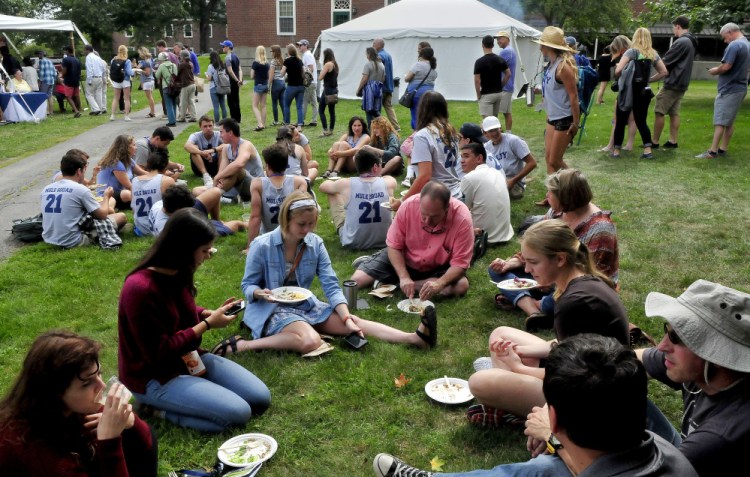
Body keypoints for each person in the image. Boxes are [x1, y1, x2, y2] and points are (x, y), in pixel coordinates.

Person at [373, 334, 698, 477]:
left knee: (543, 469)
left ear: (552, 416)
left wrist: (551, 437)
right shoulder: (659, 446)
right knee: (545, 467)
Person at [210, 191, 437, 356]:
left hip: (303, 304)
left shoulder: (315, 243)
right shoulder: (262, 245)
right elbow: (247, 285)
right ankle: (243, 345)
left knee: (353, 322)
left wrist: (346, 317)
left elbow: (330, 284)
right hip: (269, 307)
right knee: (310, 341)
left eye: (311, 224)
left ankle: (415, 338)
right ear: (286, 219)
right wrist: (260, 293)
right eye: (301, 224)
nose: (307, 230)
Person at [118, 208, 269, 433]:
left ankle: (190, 398)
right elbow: (159, 350)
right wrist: (206, 325)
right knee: (238, 413)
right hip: (154, 374)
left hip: (187, 358)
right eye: (205, 250)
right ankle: (154, 409)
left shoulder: (178, 272)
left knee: (260, 398)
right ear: (184, 249)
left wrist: (204, 313)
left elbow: (175, 310)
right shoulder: (140, 288)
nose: (209, 255)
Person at [468, 219, 628, 426]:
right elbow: (569, 345)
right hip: (590, 370)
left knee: (478, 382)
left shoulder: (574, 302)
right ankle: (507, 389)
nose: (526, 269)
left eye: (533, 262)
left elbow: (569, 376)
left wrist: (519, 367)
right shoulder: (581, 282)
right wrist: (521, 350)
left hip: (590, 399)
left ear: (560, 259)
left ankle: (518, 407)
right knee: (501, 334)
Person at [0, 331, 158, 477]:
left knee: (133, 434)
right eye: (86, 384)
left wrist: (131, 421)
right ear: (54, 393)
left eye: (99, 374)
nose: (102, 386)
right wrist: (109, 440)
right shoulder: (44, 458)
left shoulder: (72, 408)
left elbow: (147, 441)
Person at [638, 279, 750, 476]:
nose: (662, 346)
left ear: (718, 355)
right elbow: (632, 360)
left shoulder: (720, 437)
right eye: (668, 331)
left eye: (677, 338)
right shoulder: (700, 368)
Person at [490, 169, 619, 326]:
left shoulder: (600, 229)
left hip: (579, 288)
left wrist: (552, 283)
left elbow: (593, 278)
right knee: (496, 271)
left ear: (565, 197)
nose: (546, 197)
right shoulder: (556, 213)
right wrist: (513, 262)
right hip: (552, 272)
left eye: (550, 193)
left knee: (557, 300)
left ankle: (530, 302)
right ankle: (534, 308)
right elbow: (537, 246)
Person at [351, 181, 472, 300]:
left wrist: (440, 283)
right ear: (420, 203)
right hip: (404, 257)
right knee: (357, 281)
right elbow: (394, 245)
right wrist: (404, 276)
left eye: (434, 217)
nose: (427, 221)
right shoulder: (408, 206)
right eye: (424, 214)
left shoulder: (462, 218)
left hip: (437, 267)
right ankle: (397, 279)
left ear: (447, 208)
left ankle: (393, 284)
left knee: (461, 286)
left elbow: (460, 263)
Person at [41, 149, 127, 248]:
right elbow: (102, 215)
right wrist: (107, 196)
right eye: (84, 170)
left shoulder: (46, 189)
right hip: (72, 241)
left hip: (49, 238)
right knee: (121, 217)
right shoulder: (80, 189)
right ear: (79, 171)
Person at [534, 27, 579, 205]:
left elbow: (573, 96)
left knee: (555, 160)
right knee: (548, 159)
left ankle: (578, 184)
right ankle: (552, 196)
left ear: (550, 47)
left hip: (564, 119)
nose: (540, 49)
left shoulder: (563, 67)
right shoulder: (551, 65)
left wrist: (575, 123)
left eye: (543, 45)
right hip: (552, 118)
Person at [393, 91, 461, 206]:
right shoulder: (451, 131)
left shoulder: (423, 136)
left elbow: (425, 175)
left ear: (422, 110)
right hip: (456, 194)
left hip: (437, 199)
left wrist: (403, 202)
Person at [320, 148, 396, 250]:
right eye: (381, 164)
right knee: (391, 197)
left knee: (332, 193)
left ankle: (348, 223)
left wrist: (337, 183)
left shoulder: (345, 183)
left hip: (353, 241)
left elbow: (323, 186)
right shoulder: (389, 182)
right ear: (375, 167)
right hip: (385, 240)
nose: (382, 167)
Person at [612, 28, 667, 159]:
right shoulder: (653, 54)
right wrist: (649, 80)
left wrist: (621, 75)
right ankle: (647, 150)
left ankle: (616, 151)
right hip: (643, 92)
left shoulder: (632, 52)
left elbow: (618, 70)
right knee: (641, 121)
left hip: (629, 91)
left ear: (635, 37)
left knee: (620, 121)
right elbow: (664, 72)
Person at [696, 23, 749, 159]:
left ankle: (712, 151)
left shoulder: (735, 45)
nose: (725, 41)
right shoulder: (746, 44)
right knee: (729, 120)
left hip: (730, 89)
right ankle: (723, 149)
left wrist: (715, 71)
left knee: (720, 121)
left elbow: (726, 66)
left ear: (730, 32)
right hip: (740, 87)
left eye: (725, 37)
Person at [246, 143, 308, 245]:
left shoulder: (257, 184)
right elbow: (302, 212)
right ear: (286, 164)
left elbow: (255, 217)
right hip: (293, 237)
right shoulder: (299, 182)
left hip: (267, 238)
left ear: (268, 166)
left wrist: (250, 246)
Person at [652, 16, 697, 149]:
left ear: (678, 26)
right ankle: (673, 141)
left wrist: (653, 58)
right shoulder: (692, 41)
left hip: (673, 83)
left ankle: (654, 142)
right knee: (674, 112)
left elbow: (664, 63)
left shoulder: (681, 42)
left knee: (659, 111)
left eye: (673, 27)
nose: (673, 30)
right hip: (682, 83)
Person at [192, 118, 263, 202]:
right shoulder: (226, 147)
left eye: (221, 132)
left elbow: (239, 164)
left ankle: (216, 197)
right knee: (196, 190)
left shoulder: (246, 145)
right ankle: (227, 199)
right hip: (234, 183)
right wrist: (219, 180)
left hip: (255, 185)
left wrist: (217, 178)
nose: (220, 135)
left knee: (236, 169)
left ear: (230, 133)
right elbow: (222, 170)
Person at [459, 142, 512, 245]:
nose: (462, 161)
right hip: (505, 234)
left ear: (479, 158)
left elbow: (461, 211)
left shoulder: (469, 178)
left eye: (466, 156)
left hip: (485, 237)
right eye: (461, 157)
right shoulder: (497, 172)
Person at [146, 184, 246, 237]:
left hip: (180, 219)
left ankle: (217, 221)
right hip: (186, 230)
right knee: (236, 224)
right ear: (179, 210)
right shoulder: (166, 229)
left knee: (215, 192)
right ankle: (248, 225)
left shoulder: (161, 204)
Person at [481, 115, 536, 200]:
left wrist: (513, 181)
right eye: (491, 131)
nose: (495, 133)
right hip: (496, 180)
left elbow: (532, 163)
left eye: (496, 129)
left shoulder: (513, 141)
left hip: (514, 182)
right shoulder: (486, 147)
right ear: (485, 133)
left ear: (500, 128)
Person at [600, 35, 637, 153]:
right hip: (636, 89)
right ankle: (629, 145)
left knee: (617, 119)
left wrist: (618, 68)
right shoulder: (637, 53)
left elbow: (618, 72)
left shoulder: (627, 55)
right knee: (632, 119)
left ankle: (611, 145)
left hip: (626, 90)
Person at [97, 135, 147, 210]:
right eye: (133, 145)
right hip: (106, 196)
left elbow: (144, 173)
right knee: (127, 194)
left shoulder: (129, 161)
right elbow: (129, 186)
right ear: (126, 148)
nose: (136, 148)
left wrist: (158, 177)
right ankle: (110, 208)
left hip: (119, 194)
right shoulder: (116, 163)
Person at [132, 151, 175, 236]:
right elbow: (173, 207)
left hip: (140, 229)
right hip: (159, 226)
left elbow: (134, 209)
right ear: (165, 167)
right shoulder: (166, 180)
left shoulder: (135, 181)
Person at [474, 35, 509, 119]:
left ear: (482, 45)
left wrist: (478, 95)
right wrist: (501, 85)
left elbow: (477, 81)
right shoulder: (500, 59)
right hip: (498, 93)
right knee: (495, 119)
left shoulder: (479, 62)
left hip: (486, 94)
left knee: (487, 122)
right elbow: (508, 74)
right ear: (493, 45)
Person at [185, 115, 226, 187]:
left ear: (213, 126)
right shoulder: (195, 135)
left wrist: (213, 150)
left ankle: (220, 174)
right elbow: (187, 146)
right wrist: (202, 153)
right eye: (205, 126)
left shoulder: (219, 134)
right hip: (200, 167)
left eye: (210, 126)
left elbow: (227, 145)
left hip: (216, 165)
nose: (208, 128)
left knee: (223, 149)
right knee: (194, 148)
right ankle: (206, 175)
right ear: (200, 127)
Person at [403, 46, 437, 130]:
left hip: (417, 94)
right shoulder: (433, 67)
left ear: (421, 55)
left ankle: (417, 132)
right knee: (427, 114)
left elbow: (407, 78)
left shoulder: (418, 65)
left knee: (416, 114)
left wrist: (406, 76)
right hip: (431, 94)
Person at [373, 38, 400, 131]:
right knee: (388, 107)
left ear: (379, 45)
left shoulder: (379, 56)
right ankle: (396, 126)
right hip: (389, 85)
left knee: (377, 108)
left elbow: (378, 71)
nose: (373, 44)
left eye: (374, 43)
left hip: (382, 87)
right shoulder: (388, 55)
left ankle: (379, 127)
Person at [357, 47, 385, 127]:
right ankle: (381, 128)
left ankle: (371, 130)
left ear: (369, 55)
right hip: (378, 89)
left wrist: (359, 89)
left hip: (369, 89)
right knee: (376, 111)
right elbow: (383, 78)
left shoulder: (368, 64)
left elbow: (364, 79)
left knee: (369, 112)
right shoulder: (381, 64)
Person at [496, 31, 517, 132]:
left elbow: (496, 67)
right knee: (507, 113)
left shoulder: (505, 52)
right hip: (509, 86)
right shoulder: (511, 50)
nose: (498, 41)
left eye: (500, 38)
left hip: (504, 86)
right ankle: (509, 133)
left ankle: (499, 133)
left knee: (494, 112)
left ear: (507, 39)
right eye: (497, 39)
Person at [281, 44, 305, 127]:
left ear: (288, 52)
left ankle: (287, 123)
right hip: (301, 86)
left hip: (291, 86)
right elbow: (303, 73)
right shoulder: (299, 60)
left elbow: (282, 73)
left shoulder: (287, 61)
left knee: (286, 105)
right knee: (299, 106)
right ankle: (300, 125)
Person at [109, 45, 134, 122]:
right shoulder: (127, 61)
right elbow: (129, 72)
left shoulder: (113, 60)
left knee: (116, 98)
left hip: (116, 80)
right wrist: (134, 71)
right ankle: (126, 115)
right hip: (125, 80)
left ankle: (112, 115)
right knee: (126, 99)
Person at [297, 39, 319, 127]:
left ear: (305, 46)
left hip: (309, 82)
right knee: (314, 102)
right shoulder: (307, 55)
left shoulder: (307, 55)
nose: (299, 47)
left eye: (301, 45)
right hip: (313, 82)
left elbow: (311, 69)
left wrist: (305, 79)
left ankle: (301, 121)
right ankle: (314, 120)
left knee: (304, 101)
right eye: (299, 45)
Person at [318, 48, 339, 137]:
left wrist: (322, 71)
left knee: (321, 110)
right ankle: (331, 130)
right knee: (331, 111)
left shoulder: (328, 64)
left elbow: (320, 77)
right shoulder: (335, 64)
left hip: (328, 90)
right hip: (334, 90)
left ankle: (325, 130)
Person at [221, 40, 243, 123]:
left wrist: (236, 80)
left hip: (230, 82)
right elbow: (240, 69)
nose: (222, 48)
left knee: (231, 101)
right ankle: (238, 118)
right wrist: (239, 80)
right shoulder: (236, 56)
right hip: (237, 82)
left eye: (223, 46)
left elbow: (230, 71)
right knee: (236, 100)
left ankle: (234, 119)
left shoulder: (228, 57)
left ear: (227, 47)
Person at [154, 52, 178, 126]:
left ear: (161, 59)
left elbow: (157, 76)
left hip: (166, 87)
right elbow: (176, 75)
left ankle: (172, 121)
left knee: (168, 104)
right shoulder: (174, 65)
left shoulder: (162, 66)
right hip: (174, 87)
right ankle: (174, 119)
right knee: (174, 103)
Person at [251, 45, 270, 131]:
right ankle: (263, 123)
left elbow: (251, 76)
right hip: (265, 85)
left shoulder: (255, 63)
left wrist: (255, 76)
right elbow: (268, 75)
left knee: (254, 105)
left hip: (258, 84)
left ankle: (260, 124)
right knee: (263, 105)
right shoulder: (267, 63)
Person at [206, 51, 228, 123]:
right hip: (222, 87)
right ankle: (224, 121)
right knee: (223, 106)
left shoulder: (210, 66)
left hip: (213, 87)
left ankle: (217, 122)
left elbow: (209, 78)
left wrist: (206, 75)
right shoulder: (222, 65)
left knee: (216, 107)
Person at [61, 45, 82, 118]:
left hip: (69, 80)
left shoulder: (66, 59)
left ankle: (76, 110)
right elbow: (80, 70)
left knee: (68, 96)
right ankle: (79, 109)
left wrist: (62, 75)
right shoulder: (77, 59)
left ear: (67, 51)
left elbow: (64, 70)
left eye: (64, 50)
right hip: (76, 79)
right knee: (76, 95)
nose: (64, 52)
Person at [175, 50, 196, 123]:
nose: (180, 57)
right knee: (191, 102)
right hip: (193, 84)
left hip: (186, 85)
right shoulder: (191, 64)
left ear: (183, 57)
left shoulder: (182, 65)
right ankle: (193, 116)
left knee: (183, 102)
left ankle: (182, 117)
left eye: (180, 56)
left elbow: (177, 74)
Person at [268, 45, 286, 127]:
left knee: (274, 103)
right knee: (282, 102)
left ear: (275, 52)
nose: (271, 53)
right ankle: (285, 119)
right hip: (282, 83)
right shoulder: (283, 61)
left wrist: (268, 85)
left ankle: (276, 121)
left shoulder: (273, 62)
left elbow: (271, 76)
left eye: (271, 51)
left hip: (276, 83)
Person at [83, 45, 105, 114]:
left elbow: (89, 69)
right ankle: (99, 109)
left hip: (92, 77)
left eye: (84, 50)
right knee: (98, 94)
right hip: (99, 77)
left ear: (87, 50)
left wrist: (89, 80)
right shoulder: (98, 58)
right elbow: (103, 68)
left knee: (89, 94)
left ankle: (96, 109)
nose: (83, 52)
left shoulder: (88, 57)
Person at [138, 47, 156, 118]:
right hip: (150, 80)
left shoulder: (146, 62)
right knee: (150, 97)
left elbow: (147, 73)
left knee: (149, 97)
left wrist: (139, 70)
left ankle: (152, 112)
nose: (139, 54)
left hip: (147, 81)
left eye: (140, 53)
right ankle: (152, 111)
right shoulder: (149, 60)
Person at [36, 50, 57, 114]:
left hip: (45, 81)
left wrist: (39, 82)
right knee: (50, 96)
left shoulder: (41, 61)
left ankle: (45, 111)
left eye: (38, 55)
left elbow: (41, 73)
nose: (37, 56)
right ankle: (51, 111)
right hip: (51, 81)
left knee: (43, 96)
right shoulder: (50, 61)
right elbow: (55, 73)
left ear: (41, 55)